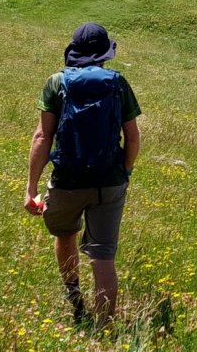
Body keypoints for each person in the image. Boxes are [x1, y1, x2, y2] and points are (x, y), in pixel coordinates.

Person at [25, 22, 141, 327]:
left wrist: (31, 188)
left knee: (65, 235)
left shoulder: (55, 83)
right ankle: (105, 329)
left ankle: (74, 298)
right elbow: (133, 138)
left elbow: (42, 137)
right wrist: (124, 173)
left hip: (67, 180)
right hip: (109, 183)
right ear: (105, 54)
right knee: (103, 257)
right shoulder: (118, 83)